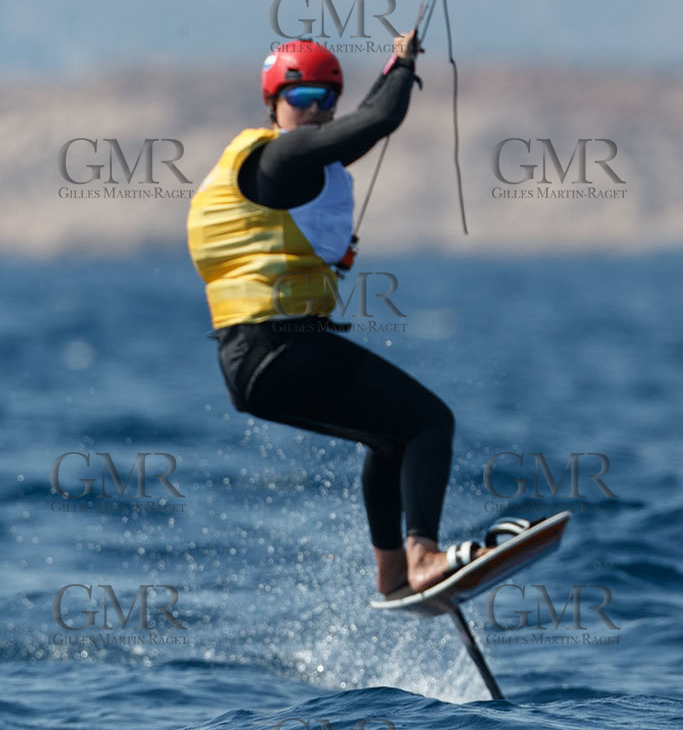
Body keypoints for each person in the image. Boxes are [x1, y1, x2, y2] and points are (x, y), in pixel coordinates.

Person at [186, 35, 483, 598]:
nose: (316, 109)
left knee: (392, 438)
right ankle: (423, 557)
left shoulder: (293, 163)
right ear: (273, 103)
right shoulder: (279, 159)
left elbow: (360, 126)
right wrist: (405, 67)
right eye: (301, 97)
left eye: (327, 98)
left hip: (255, 360)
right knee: (429, 423)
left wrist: (391, 71)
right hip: (277, 349)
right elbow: (378, 120)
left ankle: (393, 573)